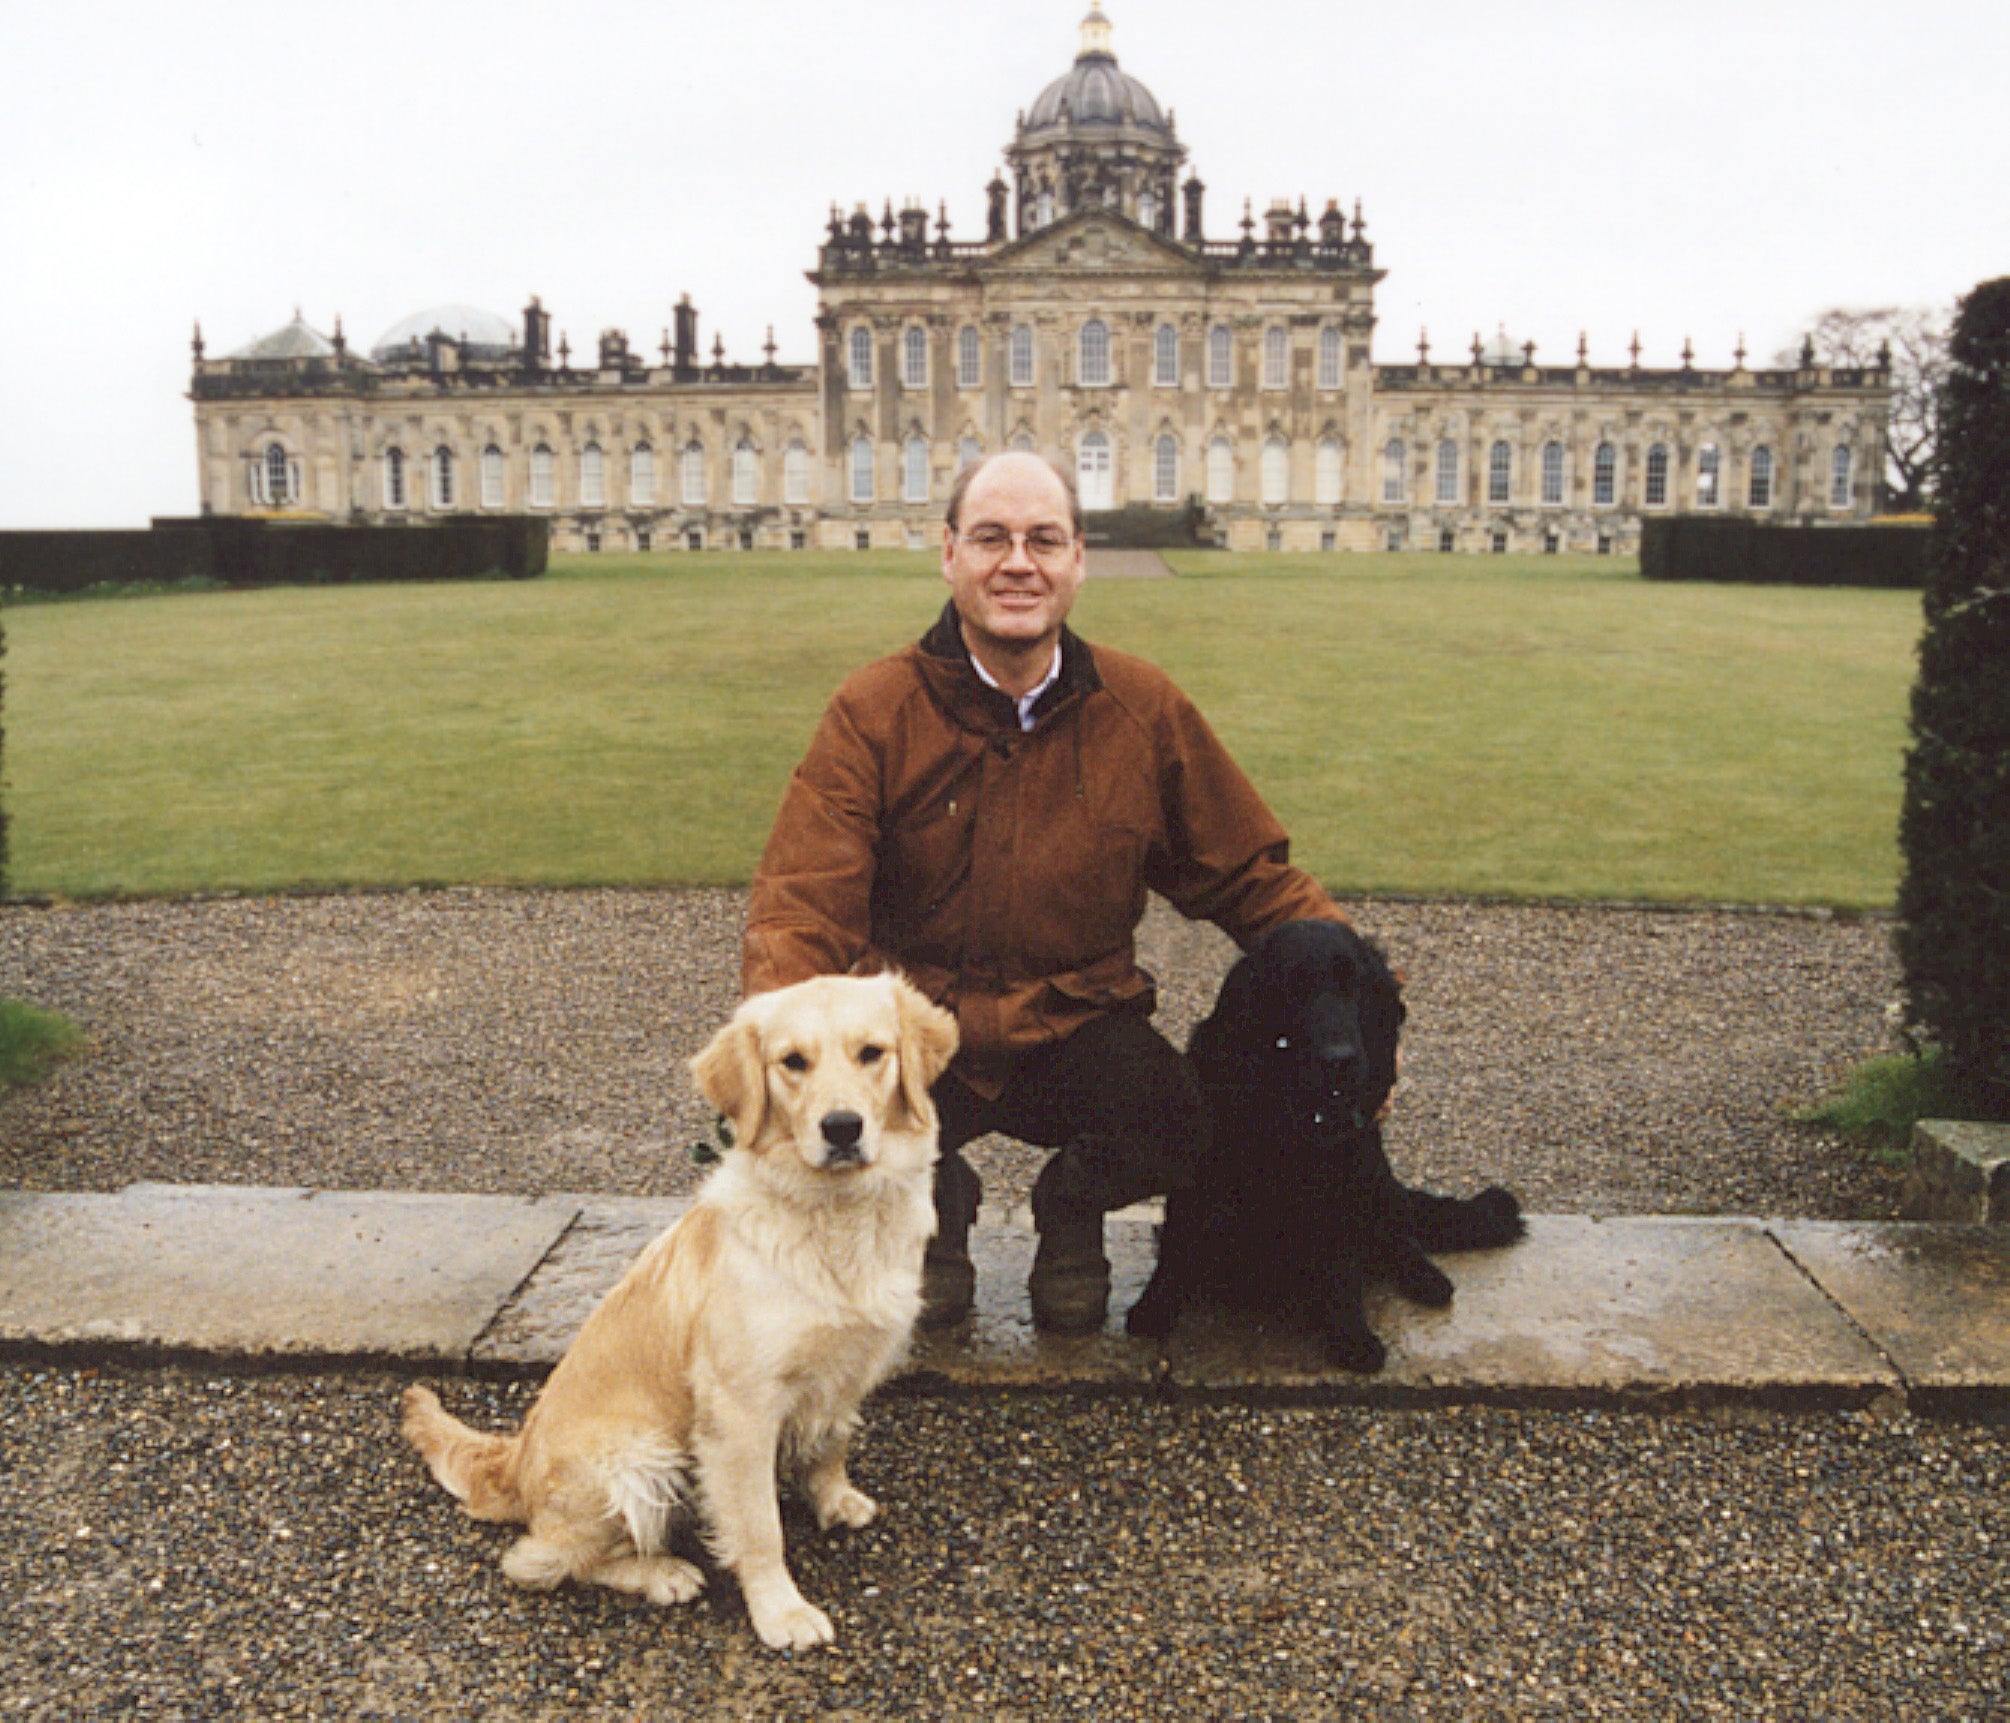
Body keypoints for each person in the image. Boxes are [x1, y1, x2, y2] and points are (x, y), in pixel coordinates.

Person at [742, 451, 1348, 1331]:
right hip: (916, 1036)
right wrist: (778, 1063)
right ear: (949, 553)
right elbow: (800, 901)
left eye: (1042, 539)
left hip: (1073, 1021)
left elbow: (1250, 874)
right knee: (877, 1175)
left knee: (1191, 1118)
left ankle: (1071, 1207)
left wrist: (1363, 998)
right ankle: (931, 1203)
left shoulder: (1140, 708)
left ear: (1077, 559)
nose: (1017, 562)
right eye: (991, 537)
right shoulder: (874, 710)